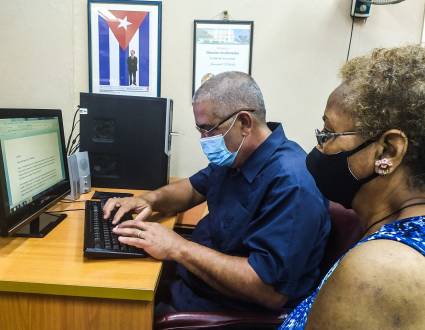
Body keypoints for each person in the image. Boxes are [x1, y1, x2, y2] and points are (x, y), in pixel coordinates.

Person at [104, 71, 330, 315]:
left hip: (222, 310)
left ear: (244, 123)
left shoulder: (291, 184)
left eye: (208, 129)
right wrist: (148, 199)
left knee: (114, 306)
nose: (204, 140)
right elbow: (192, 188)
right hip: (195, 280)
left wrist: (178, 247)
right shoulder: (237, 158)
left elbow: (269, 290)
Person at [280, 45, 425, 329]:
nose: (319, 147)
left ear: (387, 152)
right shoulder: (389, 235)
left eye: (329, 133)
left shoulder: (381, 270)